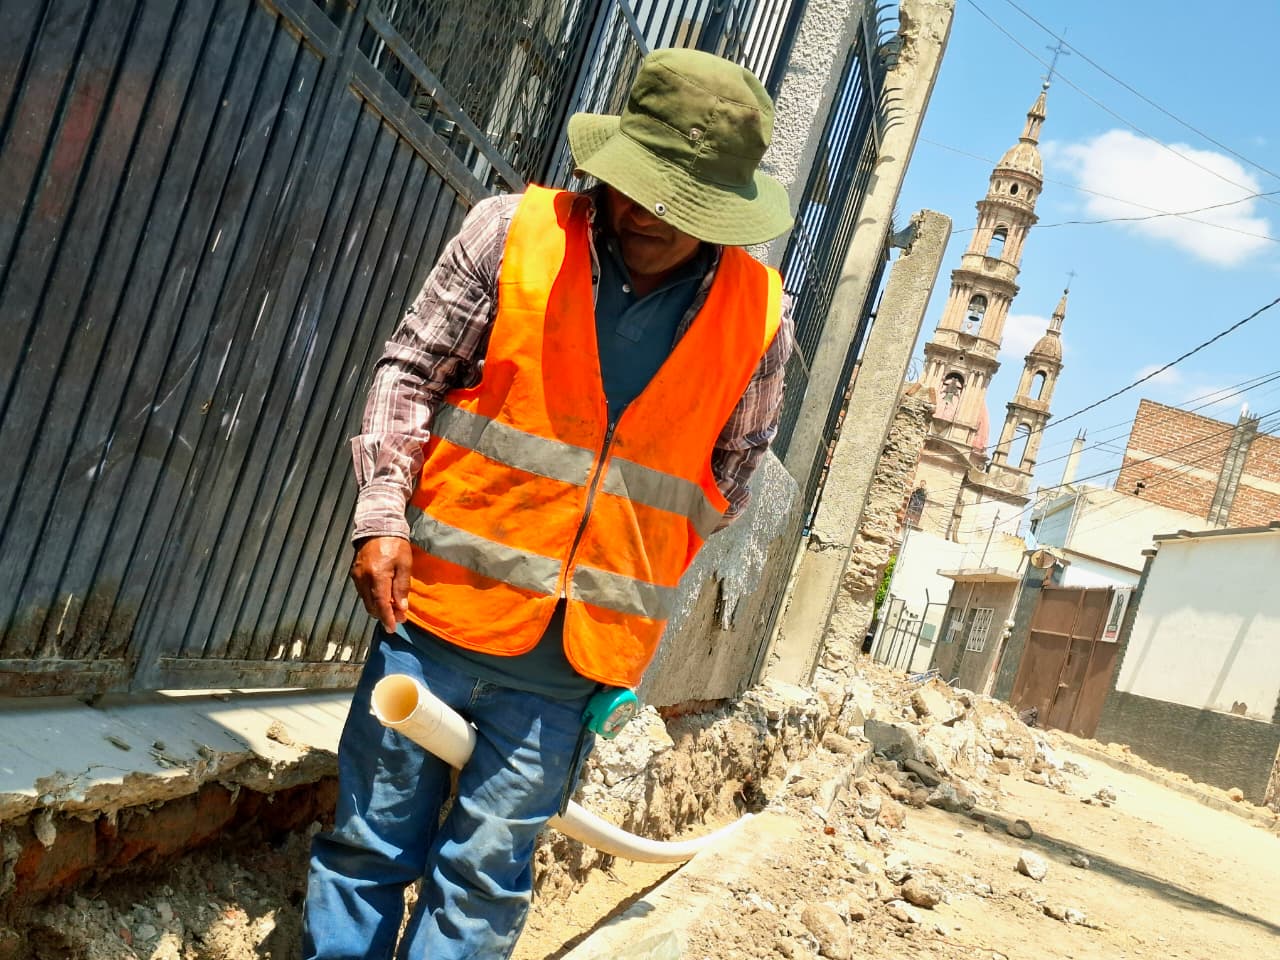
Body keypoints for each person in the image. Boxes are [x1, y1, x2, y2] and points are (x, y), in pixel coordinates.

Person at [301, 46, 796, 960]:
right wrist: (380, 513)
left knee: (485, 883)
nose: (649, 212)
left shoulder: (760, 317)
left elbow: (729, 479)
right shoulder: (510, 233)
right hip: (434, 617)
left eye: (682, 200)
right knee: (369, 847)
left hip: (569, 670)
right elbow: (410, 371)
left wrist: (621, 585)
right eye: (640, 183)